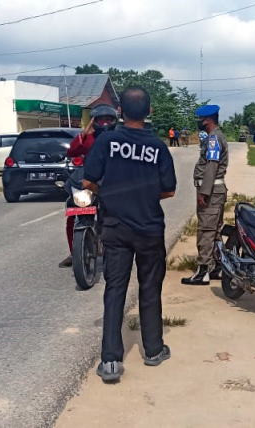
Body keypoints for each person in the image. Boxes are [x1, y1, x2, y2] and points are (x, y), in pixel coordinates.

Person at [83, 86, 177, 382]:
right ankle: (153, 350)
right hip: (149, 229)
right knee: (150, 288)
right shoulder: (158, 147)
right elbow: (170, 189)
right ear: (149, 112)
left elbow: (87, 181)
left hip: (115, 228)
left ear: (120, 112)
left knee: (115, 291)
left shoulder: (107, 141)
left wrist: (109, 192)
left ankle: (110, 361)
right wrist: (145, 194)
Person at [59, 103, 119, 268]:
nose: (105, 123)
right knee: (73, 212)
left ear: (114, 121)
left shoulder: (120, 137)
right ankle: (74, 252)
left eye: (108, 119)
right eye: (101, 120)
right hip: (90, 182)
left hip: (112, 182)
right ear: (94, 121)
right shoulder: (88, 138)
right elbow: (72, 152)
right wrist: (83, 135)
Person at [181, 105, 229, 286]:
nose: (198, 123)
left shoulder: (213, 138)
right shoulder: (216, 136)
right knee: (214, 231)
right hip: (216, 191)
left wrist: (204, 192)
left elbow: (211, 166)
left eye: (200, 120)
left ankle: (203, 272)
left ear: (207, 120)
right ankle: (216, 266)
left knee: (206, 231)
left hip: (211, 192)